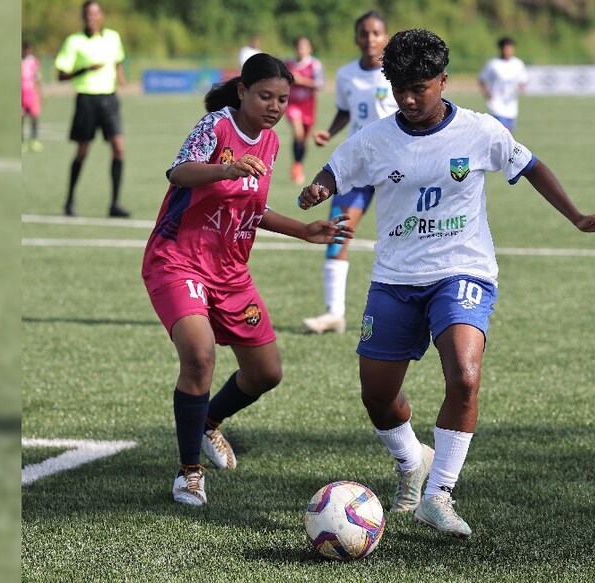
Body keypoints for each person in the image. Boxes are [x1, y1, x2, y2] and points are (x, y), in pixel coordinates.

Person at [297, 29, 595, 537]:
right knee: (378, 397)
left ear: (443, 81)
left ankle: (439, 493)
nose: (408, 99)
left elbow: (531, 166)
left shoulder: (480, 131)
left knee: (465, 376)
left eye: (419, 88)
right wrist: (319, 187)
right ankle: (411, 460)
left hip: (462, 270)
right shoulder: (377, 138)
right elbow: (336, 169)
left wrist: (578, 217)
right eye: (399, 88)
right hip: (395, 278)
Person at [143, 53, 352, 506]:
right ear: (242, 91)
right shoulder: (216, 127)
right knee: (198, 357)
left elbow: (250, 211)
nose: (275, 106)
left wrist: (303, 230)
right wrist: (226, 167)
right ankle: (188, 473)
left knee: (266, 373)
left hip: (231, 271)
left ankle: (207, 422)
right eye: (265, 96)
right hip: (179, 259)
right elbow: (178, 172)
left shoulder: (271, 143)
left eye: (282, 98)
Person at [302, 10, 398, 335]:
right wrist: (329, 132)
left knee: (405, 236)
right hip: (356, 167)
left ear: (385, 36)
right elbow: (345, 110)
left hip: (395, 166)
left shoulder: (397, 73)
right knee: (337, 230)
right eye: (364, 33)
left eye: (376, 33)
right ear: (356, 38)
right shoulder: (345, 75)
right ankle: (334, 313)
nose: (370, 39)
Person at [55, 0, 130, 218]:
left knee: (118, 147)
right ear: (83, 16)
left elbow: (117, 61)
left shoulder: (113, 38)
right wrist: (85, 69)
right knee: (82, 151)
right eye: (88, 14)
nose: (92, 17)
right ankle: (69, 200)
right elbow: (61, 75)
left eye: (95, 13)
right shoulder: (74, 41)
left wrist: (120, 77)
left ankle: (115, 204)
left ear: (101, 16)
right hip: (86, 99)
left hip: (109, 99)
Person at [284, 36, 325, 183]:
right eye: (298, 46)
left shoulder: (315, 64)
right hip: (292, 104)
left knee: (303, 139)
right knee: (298, 132)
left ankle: (298, 164)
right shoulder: (287, 63)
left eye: (304, 46)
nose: (301, 49)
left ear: (309, 49)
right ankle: (296, 166)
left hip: (308, 105)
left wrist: (301, 81)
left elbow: (320, 84)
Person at [477, 36, 529, 132]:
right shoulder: (493, 64)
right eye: (506, 48)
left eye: (510, 48)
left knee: (508, 134)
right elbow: (482, 79)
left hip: (511, 105)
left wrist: (521, 88)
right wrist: (487, 93)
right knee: (502, 130)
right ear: (501, 49)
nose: (509, 51)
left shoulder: (518, 64)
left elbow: (523, 80)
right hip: (496, 104)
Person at [22, 40, 44, 153]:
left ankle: (34, 140)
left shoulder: (34, 62)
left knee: (34, 117)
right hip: (21, 93)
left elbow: (37, 78)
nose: (28, 52)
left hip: (31, 93)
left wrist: (40, 93)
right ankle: (21, 141)